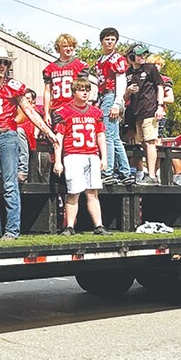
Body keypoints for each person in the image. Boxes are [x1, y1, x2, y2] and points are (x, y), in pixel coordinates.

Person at [0, 47, 59, 240]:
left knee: (9, 184)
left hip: (8, 136)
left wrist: (48, 132)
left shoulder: (14, 86)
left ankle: (12, 230)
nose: (2, 66)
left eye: (5, 63)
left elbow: (30, 111)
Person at [53, 77, 110, 236]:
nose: (85, 93)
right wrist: (58, 160)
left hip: (91, 155)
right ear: (74, 92)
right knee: (74, 192)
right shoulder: (65, 111)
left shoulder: (95, 112)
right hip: (73, 154)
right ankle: (69, 226)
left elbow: (100, 135)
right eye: (81, 90)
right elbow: (59, 137)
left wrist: (104, 157)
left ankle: (99, 225)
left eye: (87, 90)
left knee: (92, 192)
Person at [95, 27, 134, 185]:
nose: (110, 42)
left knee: (107, 136)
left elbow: (121, 81)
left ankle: (108, 171)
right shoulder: (100, 60)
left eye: (113, 39)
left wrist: (117, 103)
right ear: (102, 41)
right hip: (103, 96)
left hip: (112, 96)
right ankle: (125, 172)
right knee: (115, 137)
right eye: (107, 39)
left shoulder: (117, 59)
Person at [123, 43, 163, 185]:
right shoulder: (128, 73)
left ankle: (152, 175)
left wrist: (160, 106)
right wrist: (128, 91)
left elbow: (160, 87)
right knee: (143, 143)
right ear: (131, 57)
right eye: (139, 54)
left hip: (150, 110)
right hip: (136, 113)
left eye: (144, 54)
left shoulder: (150, 68)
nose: (143, 57)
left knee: (150, 141)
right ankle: (147, 173)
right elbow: (125, 98)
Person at [42, 33, 90, 123]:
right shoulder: (50, 68)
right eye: (65, 46)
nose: (69, 48)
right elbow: (47, 92)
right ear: (58, 48)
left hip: (74, 109)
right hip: (57, 109)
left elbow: (84, 89)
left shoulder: (80, 65)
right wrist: (46, 113)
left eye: (71, 46)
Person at [15, 90, 39, 182]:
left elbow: (38, 125)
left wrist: (36, 134)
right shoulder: (17, 111)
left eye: (28, 99)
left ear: (33, 102)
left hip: (27, 135)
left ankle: (22, 169)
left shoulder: (35, 112)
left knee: (19, 131)